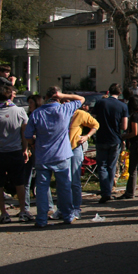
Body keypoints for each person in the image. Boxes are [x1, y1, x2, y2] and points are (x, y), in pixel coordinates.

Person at [24, 87, 84, 227]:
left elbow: (28, 135)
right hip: (61, 154)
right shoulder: (64, 109)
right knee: (64, 187)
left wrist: (32, 144)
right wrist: (63, 95)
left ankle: (41, 219)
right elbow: (81, 99)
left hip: (43, 155)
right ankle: (68, 215)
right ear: (59, 97)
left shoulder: (37, 113)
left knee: (42, 189)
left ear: (46, 97)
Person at [92, 83, 129, 203]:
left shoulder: (100, 103)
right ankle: (109, 189)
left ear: (108, 92)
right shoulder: (123, 106)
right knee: (111, 166)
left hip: (101, 137)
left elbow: (93, 119)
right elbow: (124, 126)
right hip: (115, 138)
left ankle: (105, 191)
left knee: (102, 166)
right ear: (120, 93)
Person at [0, 85, 29, 223]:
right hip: (15, 151)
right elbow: (24, 132)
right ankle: (23, 210)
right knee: (19, 182)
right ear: (11, 96)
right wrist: (25, 149)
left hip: (1, 152)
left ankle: (3, 212)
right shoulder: (19, 111)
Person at [66, 96, 99, 218]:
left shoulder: (80, 114)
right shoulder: (61, 114)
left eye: (68, 102)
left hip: (74, 148)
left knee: (74, 180)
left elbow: (95, 125)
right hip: (62, 150)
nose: (66, 105)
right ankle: (63, 208)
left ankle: (76, 208)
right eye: (63, 102)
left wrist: (86, 136)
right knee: (64, 180)